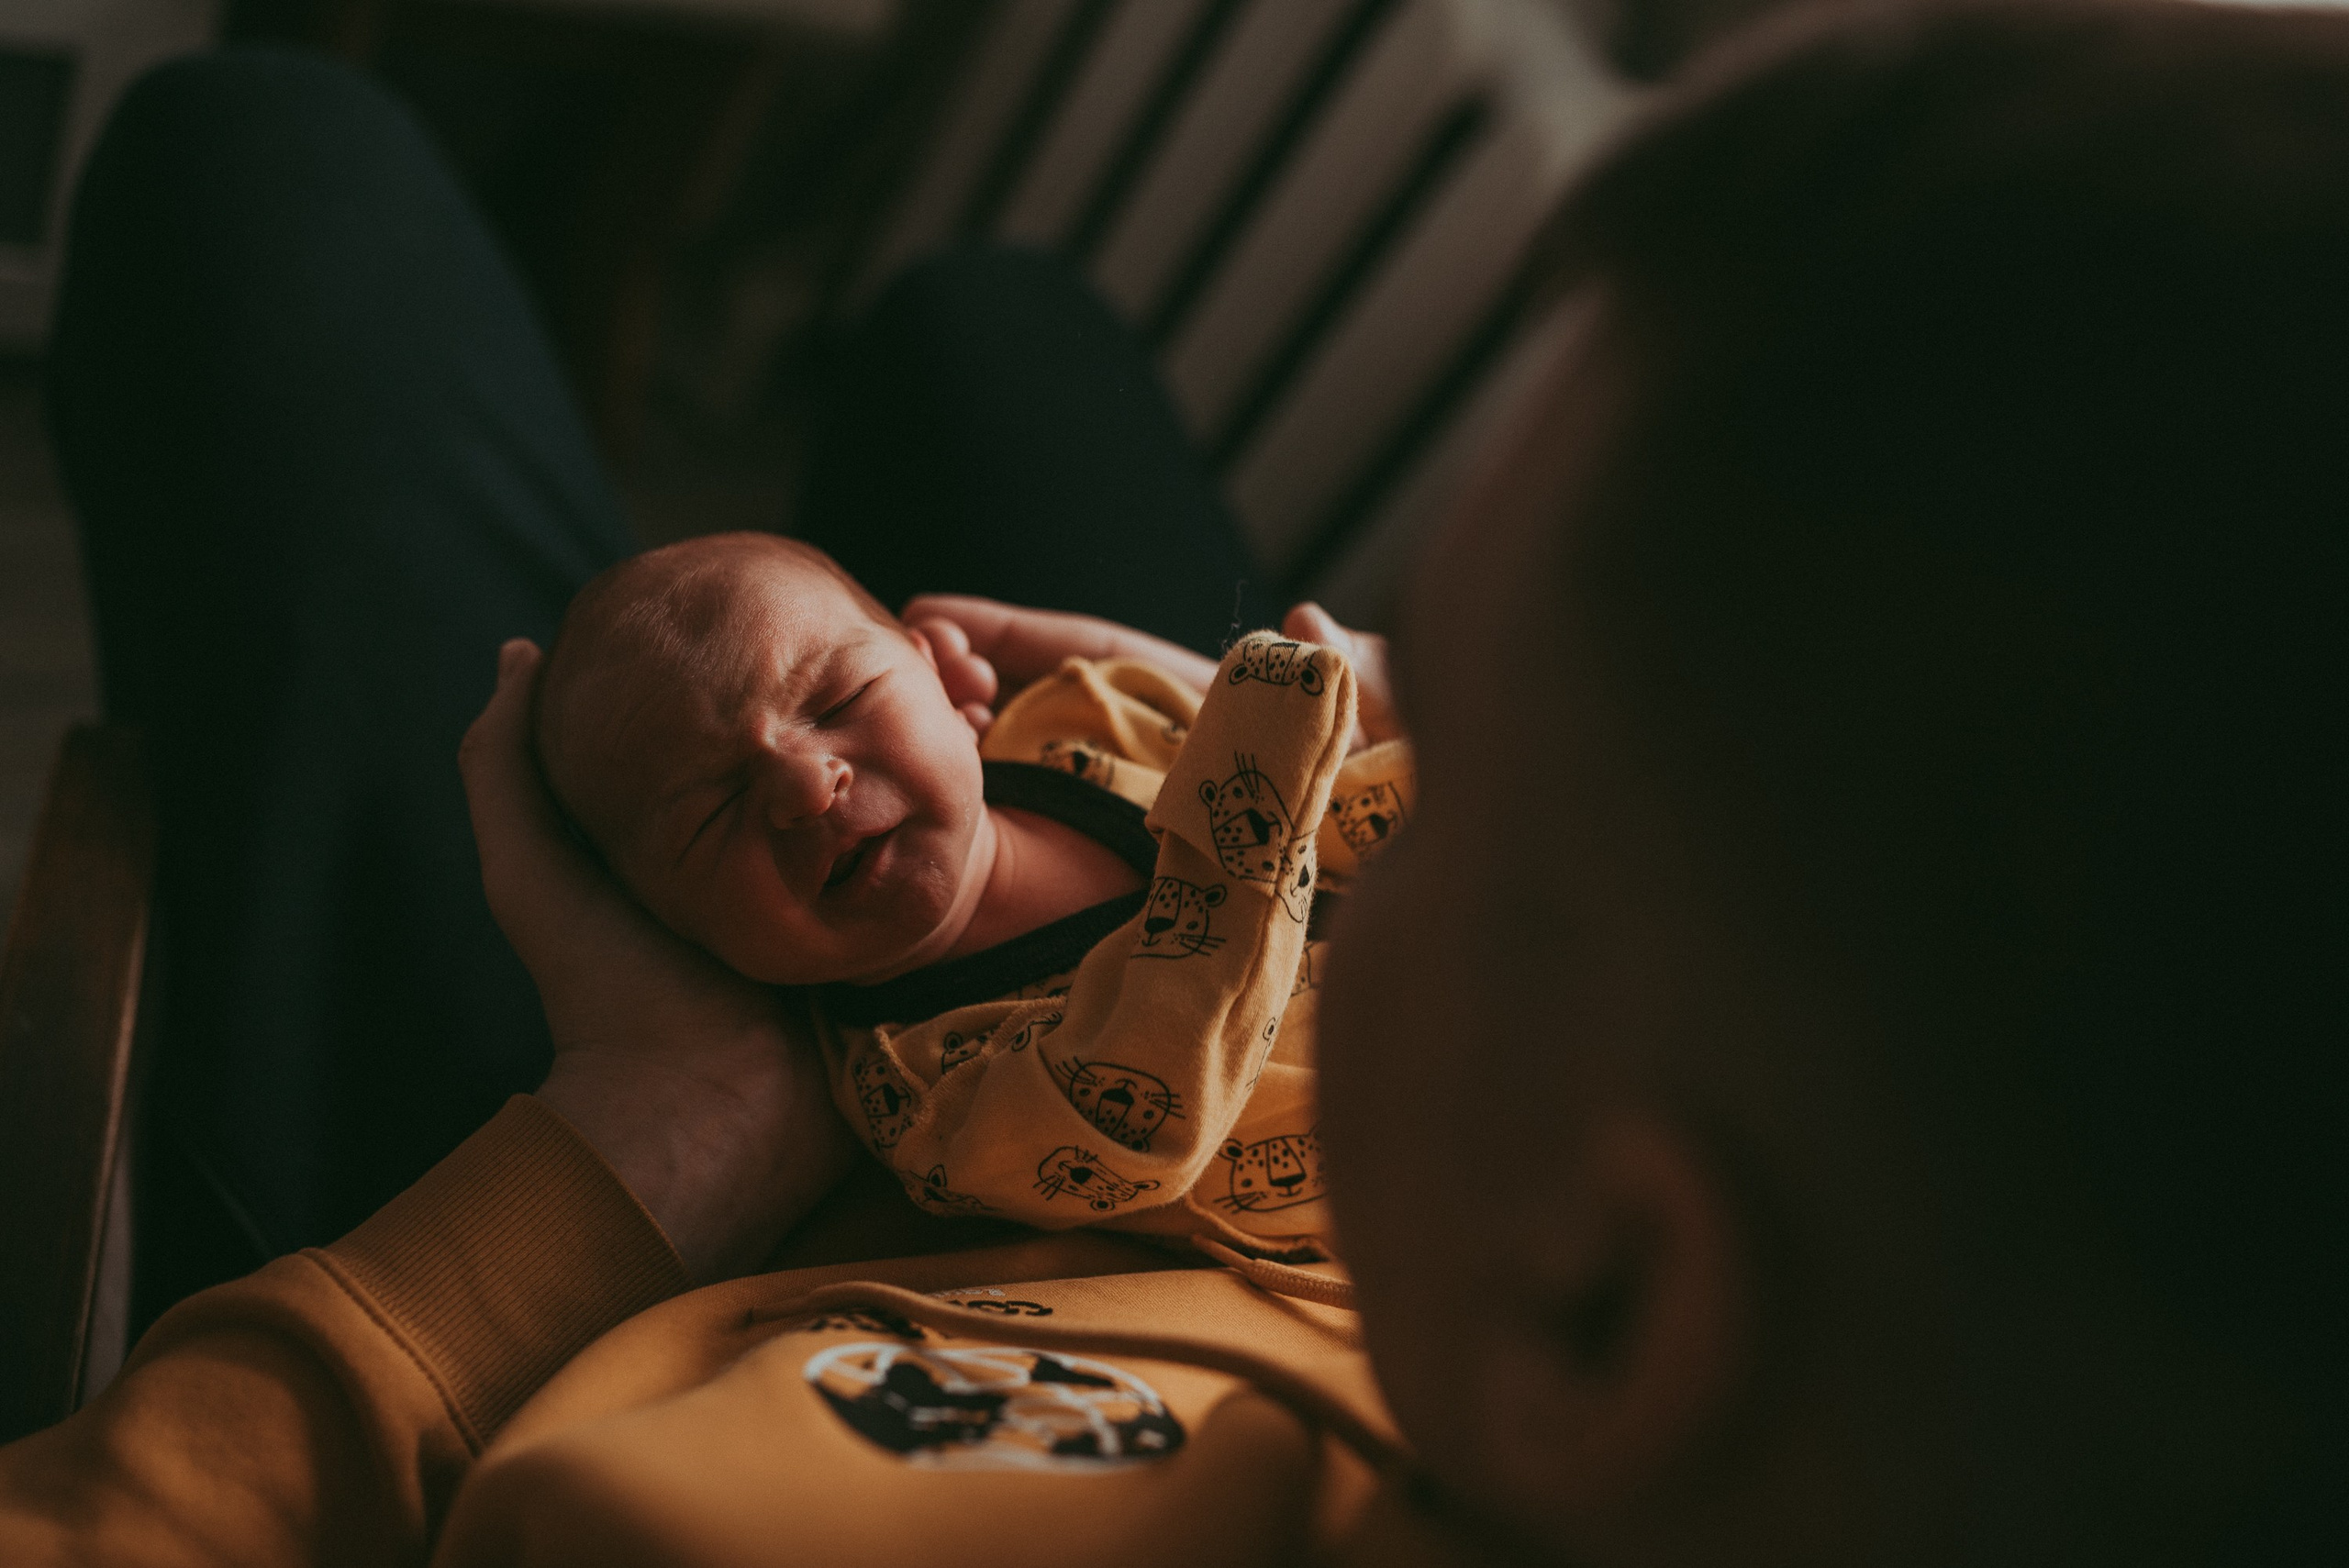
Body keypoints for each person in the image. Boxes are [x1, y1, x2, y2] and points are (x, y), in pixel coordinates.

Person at [6, 0, 2343, 1562]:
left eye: (1467, 809)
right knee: (993, 328)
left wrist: (634, 1148)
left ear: (1600, 1303)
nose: (1357, 779)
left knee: (248, 159)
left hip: (674, 1252)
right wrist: (1230, 708)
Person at [534, 532, 1410, 1247]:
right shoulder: (917, 1092)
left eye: (841, 696)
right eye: (712, 813)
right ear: (678, 934)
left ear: (946, 683)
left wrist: (1405, 739)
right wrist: (1261, 759)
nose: (804, 787)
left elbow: (1353, 795)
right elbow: (1146, 1113)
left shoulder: (1084, 716)